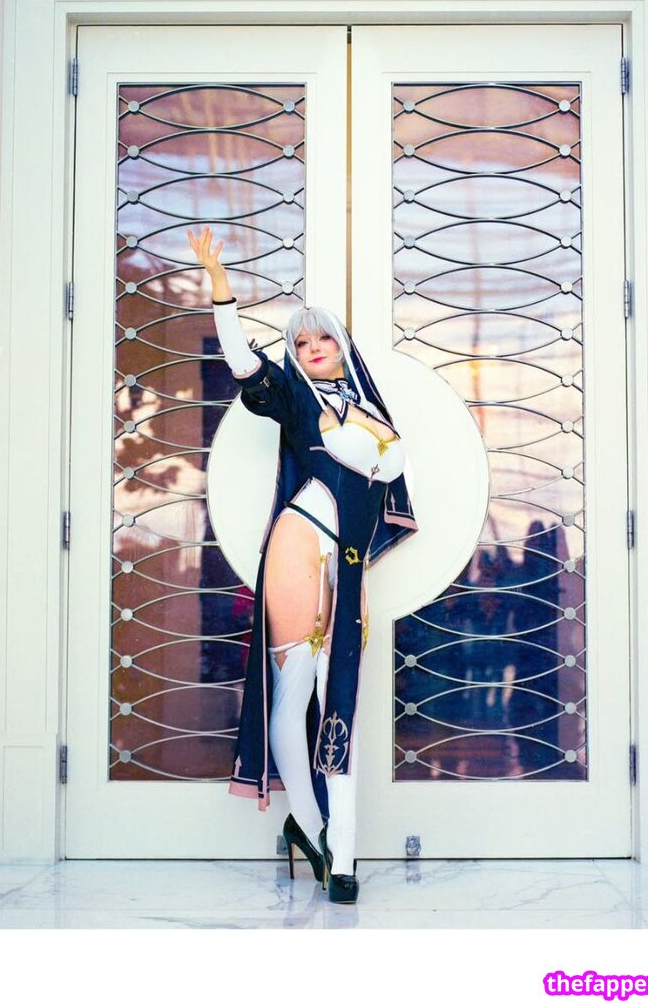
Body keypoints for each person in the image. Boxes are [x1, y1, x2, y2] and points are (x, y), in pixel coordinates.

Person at [189, 227, 419, 903]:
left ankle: (341, 850)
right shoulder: (295, 397)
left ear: (342, 346)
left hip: (350, 562)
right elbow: (243, 365)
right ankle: (320, 835)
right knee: (294, 697)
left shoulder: (371, 408)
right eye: (302, 341)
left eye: (323, 338)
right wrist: (221, 288)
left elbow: (384, 486)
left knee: (342, 694)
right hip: (299, 541)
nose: (313, 348)